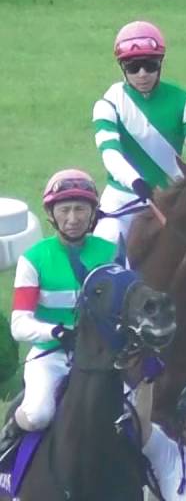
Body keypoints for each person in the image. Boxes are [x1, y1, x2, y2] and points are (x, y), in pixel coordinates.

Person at [1, 170, 119, 452]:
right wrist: (54, 331)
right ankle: (10, 433)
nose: (73, 218)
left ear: (93, 213)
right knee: (38, 414)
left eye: (81, 209)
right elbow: (19, 323)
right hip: (50, 354)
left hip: (102, 354)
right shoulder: (33, 258)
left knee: (134, 415)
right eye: (65, 209)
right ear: (52, 214)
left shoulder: (111, 252)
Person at [92, 20, 186, 259]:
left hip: (172, 200)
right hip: (123, 199)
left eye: (150, 65)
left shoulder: (184, 100)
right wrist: (136, 182)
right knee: (104, 243)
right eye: (133, 67)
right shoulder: (108, 104)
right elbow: (110, 154)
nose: (142, 74)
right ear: (122, 68)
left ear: (160, 64)